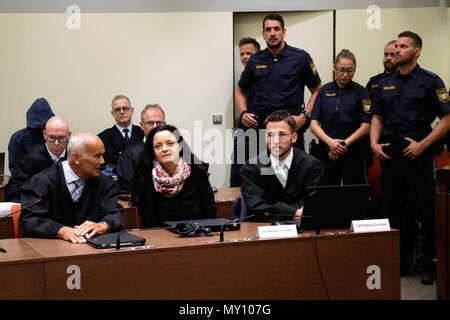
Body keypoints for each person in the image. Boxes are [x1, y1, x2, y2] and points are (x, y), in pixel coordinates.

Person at [370, 31, 450, 284]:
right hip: (391, 156)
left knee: (426, 211)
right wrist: (373, 144)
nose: (397, 50)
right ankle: (400, 262)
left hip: (419, 154)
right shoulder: (385, 82)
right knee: (393, 212)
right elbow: (377, 117)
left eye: (403, 46)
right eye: (396, 46)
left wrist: (424, 145)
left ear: (417, 51)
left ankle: (429, 265)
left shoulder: (431, 81)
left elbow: (446, 119)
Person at [236, 13, 322, 152]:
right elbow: (240, 91)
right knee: (259, 173)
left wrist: (304, 116)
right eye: (268, 30)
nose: (272, 33)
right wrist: (243, 112)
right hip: (260, 131)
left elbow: (317, 90)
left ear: (284, 32)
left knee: (292, 173)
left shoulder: (300, 58)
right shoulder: (255, 59)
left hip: (289, 130)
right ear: (263, 34)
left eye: (276, 29)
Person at [19, 133, 124, 243]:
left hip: (93, 248)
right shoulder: (42, 182)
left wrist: (103, 225)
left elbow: (116, 214)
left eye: (103, 155)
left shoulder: (103, 182)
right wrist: (61, 231)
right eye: (97, 156)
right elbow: (29, 221)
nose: (102, 161)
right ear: (76, 158)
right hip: (51, 250)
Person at [240, 110, 323, 219]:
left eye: (282, 134)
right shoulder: (251, 168)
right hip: (265, 226)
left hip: (303, 224)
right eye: (270, 135)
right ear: (265, 138)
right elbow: (256, 205)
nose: (276, 141)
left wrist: (297, 213)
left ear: (294, 137)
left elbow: (313, 200)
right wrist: (293, 213)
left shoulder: (312, 165)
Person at [132, 125, 216, 228]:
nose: (164, 149)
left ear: (180, 146)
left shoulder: (197, 173)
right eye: (158, 146)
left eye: (170, 143)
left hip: (196, 235)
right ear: (153, 151)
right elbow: (149, 221)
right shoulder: (147, 177)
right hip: (161, 239)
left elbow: (209, 212)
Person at [310, 49, 371, 185]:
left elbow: (366, 127)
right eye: (341, 69)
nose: (345, 74)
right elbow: (314, 124)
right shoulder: (324, 91)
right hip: (327, 151)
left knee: (355, 196)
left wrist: (343, 145)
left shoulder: (362, 92)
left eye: (350, 70)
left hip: (353, 152)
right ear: (334, 68)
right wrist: (331, 143)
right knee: (328, 195)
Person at [5, 116, 71, 202]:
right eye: (51, 138)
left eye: (62, 138)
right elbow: (14, 192)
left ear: (69, 136)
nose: (56, 143)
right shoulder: (30, 160)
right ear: (44, 135)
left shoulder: (75, 157)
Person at [230, 37, 261, 187]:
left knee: (262, 177)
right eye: (242, 54)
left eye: (249, 53)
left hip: (264, 133)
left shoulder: (266, 74)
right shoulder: (244, 77)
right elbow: (240, 94)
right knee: (237, 177)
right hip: (245, 131)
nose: (245, 57)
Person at [116, 104, 166, 192]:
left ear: (164, 124)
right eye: (150, 123)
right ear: (142, 125)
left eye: (159, 123)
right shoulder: (128, 155)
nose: (155, 126)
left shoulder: (174, 150)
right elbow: (128, 186)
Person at [8, 97, 55, 175]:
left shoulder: (55, 138)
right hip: (26, 183)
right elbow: (16, 170)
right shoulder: (18, 138)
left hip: (50, 182)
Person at [98, 95, 144, 172]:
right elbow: (106, 166)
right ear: (112, 113)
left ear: (132, 110)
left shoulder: (143, 133)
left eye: (125, 108)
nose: (122, 112)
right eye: (118, 109)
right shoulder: (103, 137)